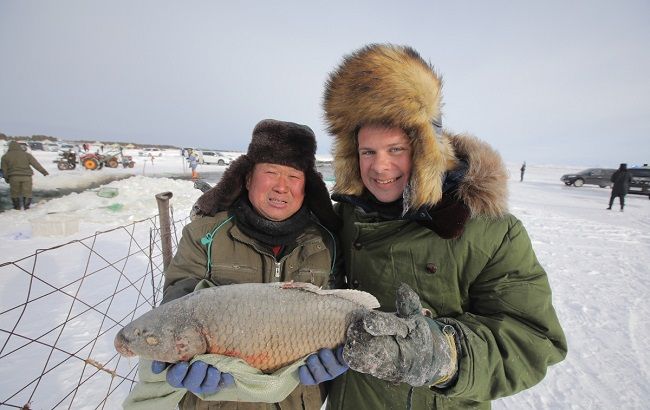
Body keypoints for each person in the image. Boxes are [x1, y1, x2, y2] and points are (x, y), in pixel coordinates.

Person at [304, 44, 568, 409]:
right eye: (368, 152)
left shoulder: (489, 229)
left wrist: (443, 355)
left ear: (427, 149)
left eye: (396, 149)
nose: (380, 167)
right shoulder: (347, 218)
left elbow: (533, 340)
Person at [153, 119, 342, 410]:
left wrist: (336, 357)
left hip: (297, 399)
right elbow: (180, 292)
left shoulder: (325, 242)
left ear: (308, 186)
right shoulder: (204, 234)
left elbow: (338, 306)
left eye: (293, 176)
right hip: (220, 399)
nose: (282, 187)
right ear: (247, 178)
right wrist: (180, 344)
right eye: (270, 172)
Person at [1, 140, 49, 210]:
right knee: (27, 193)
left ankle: (17, 208)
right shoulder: (27, 155)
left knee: (15, 194)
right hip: (26, 177)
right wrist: (44, 172)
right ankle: (26, 207)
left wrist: (6, 178)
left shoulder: (5, 156)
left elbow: (4, 169)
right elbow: (36, 164)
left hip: (14, 177)